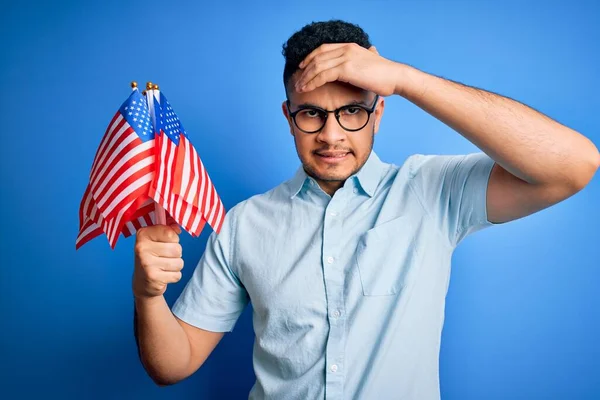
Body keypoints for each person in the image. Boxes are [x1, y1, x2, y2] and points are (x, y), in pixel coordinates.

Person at [132, 20, 599, 399]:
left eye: (352, 111)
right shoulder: (242, 224)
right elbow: (173, 365)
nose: (331, 135)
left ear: (378, 112)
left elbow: (574, 166)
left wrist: (404, 79)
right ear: (288, 117)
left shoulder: (432, 190)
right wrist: (148, 296)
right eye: (311, 113)